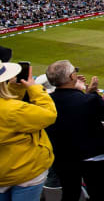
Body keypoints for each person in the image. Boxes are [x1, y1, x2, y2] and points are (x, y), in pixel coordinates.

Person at [45, 60, 104, 201]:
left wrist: (83, 93)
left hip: (63, 157)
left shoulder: (46, 101)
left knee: (70, 192)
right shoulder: (88, 100)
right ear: (71, 77)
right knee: (98, 193)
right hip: (92, 156)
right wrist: (92, 93)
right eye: (74, 71)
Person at [0, 62, 57, 200]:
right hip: (24, 171)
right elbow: (49, 115)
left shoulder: (10, 109)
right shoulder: (12, 110)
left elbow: (11, 116)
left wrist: (14, 89)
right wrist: (35, 89)